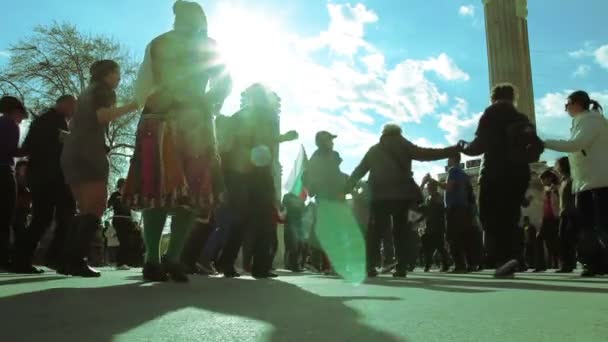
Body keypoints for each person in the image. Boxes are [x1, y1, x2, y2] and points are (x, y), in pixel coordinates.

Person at [123, 1, 232, 283]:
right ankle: (153, 259)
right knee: (157, 189)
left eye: (186, 13)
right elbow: (143, 86)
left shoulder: (207, 45)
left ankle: (172, 258)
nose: (181, 18)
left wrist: (212, 100)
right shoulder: (161, 43)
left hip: (191, 123)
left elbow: (225, 80)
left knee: (191, 195)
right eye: (179, 13)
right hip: (164, 121)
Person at [345, 124, 458, 278]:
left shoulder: (374, 150)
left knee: (375, 232)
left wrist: (346, 187)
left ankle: (369, 266)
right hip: (402, 196)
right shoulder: (404, 145)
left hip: (379, 196)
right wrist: (452, 149)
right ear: (399, 132)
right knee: (400, 232)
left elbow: (360, 169)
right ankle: (401, 267)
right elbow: (426, 154)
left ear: (383, 133)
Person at [60, 60, 139, 278]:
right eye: (117, 73)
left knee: (84, 208)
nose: (119, 78)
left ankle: (67, 260)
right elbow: (102, 115)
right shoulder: (103, 91)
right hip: (89, 154)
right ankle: (76, 260)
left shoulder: (85, 93)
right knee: (95, 205)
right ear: (108, 74)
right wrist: (135, 104)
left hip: (71, 154)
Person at [218, 84, 297, 279]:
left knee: (255, 219)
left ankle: (246, 264)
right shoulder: (250, 116)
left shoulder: (255, 116)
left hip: (253, 172)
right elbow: (251, 140)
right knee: (250, 218)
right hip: (246, 172)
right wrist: (282, 138)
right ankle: (240, 263)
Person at [460, 84, 539, 278]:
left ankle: (503, 259)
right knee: (511, 218)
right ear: (514, 98)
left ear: (493, 98)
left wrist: (462, 145)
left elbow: (478, 146)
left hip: (495, 173)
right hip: (518, 174)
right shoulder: (522, 119)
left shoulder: (491, 114)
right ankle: (513, 258)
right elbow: (536, 147)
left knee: (490, 217)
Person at [543, 91, 608, 277]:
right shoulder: (585, 121)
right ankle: (596, 263)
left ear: (576, 103)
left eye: (567, 104)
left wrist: (543, 143)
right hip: (589, 183)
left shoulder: (590, 121)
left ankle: (594, 263)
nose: (565, 109)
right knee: (590, 226)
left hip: (598, 182)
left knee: (598, 226)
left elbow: (576, 144)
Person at [12, 95, 77, 273]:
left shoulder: (42, 120)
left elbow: (27, 146)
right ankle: (54, 257)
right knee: (66, 213)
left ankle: (22, 258)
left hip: (40, 175)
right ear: (64, 104)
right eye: (73, 107)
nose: (73, 113)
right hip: (51, 176)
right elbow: (63, 145)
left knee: (42, 218)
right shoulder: (54, 120)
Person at [0, 96, 28, 270]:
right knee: (5, 217)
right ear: (16, 112)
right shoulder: (11, 125)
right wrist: (30, 148)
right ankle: (3, 258)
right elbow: (11, 150)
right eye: (21, 117)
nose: (21, 120)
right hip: (4, 171)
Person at [444, 154, 477, 273]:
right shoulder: (464, 175)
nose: (447, 159)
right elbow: (471, 195)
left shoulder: (453, 171)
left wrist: (433, 182)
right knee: (466, 237)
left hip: (454, 208)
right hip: (465, 209)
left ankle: (460, 265)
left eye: (448, 157)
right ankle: (471, 264)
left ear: (453, 159)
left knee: (453, 237)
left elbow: (449, 188)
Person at [418, 177, 450, 273]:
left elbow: (435, 211)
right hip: (430, 226)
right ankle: (429, 264)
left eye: (429, 187)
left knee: (439, 246)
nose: (428, 189)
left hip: (437, 226)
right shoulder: (429, 198)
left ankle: (444, 264)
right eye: (428, 187)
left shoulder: (438, 197)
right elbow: (426, 211)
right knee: (428, 246)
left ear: (433, 188)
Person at [555, 156, 577, 273]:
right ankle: (567, 264)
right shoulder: (563, 180)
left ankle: (568, 264)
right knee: (563, 239)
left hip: (570, 212)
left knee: (566, 239)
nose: (556, 167)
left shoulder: (570, 179)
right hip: (563, 212)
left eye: (557, 165)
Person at [107, 178, 135, 270]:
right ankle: (120, 263)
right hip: (119, 220)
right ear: (120, 185)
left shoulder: (129, 196)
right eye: (124, 185)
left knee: (129, 242)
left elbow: (134, 206)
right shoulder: (115, 195)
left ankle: (126, 261)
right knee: (123, 240)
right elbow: (108, 204)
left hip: (128, 221)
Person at [535, 170, 560, 272]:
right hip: (546, 218)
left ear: (549, 178)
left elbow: (557, 203)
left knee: (551, 241)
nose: (542, 182)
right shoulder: (546, 189)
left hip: (554, 218)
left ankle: (553, 262)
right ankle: (543, 264)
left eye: (543, 179)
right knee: (544, 240)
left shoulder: (556, 188)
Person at [282, 193, 306, 272]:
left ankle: (289, 265)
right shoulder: (296, 200)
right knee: (295, 246)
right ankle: (294, 266)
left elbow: (283, 209)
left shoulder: (288, 199)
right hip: (295, 225)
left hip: (291, 224)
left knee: (291, 246)